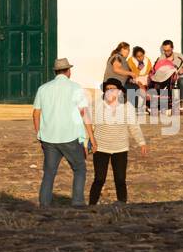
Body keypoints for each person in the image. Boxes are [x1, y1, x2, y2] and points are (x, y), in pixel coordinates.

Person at [32, 58, 95, 208]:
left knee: (49, 172)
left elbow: (36, 113)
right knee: (79, 168)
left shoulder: (43, 88)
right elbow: (83, 113)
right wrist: (91, 136)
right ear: (68, 71)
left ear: (55, 71)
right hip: (70, 136)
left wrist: (39, 132)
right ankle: (78, 201)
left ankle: (44, 203)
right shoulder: (75, 88)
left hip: (49, 137)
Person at [90, 79, 148, 205]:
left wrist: (141, 142)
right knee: (99, 178)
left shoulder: (127, 106)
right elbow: (89, 125)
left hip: (120, 147)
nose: (110, 91)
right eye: (107, 89)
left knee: (120, 179)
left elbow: (134, 126)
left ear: (120, 91)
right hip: (101, 147)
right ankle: (91, 204)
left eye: (113, 88)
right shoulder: (97, 104)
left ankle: (122, 203)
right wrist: (88, 143)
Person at [151, 40, 183, 116]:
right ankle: (165, 106)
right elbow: (157, 71)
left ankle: (181, 103)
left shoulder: (179, 56)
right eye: (164, 51)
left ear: (172, 48)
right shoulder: (161, 58)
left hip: (178, 78)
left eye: (168, 50)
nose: (166, 52)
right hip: (166, 79)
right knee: (162, 83)